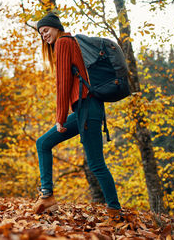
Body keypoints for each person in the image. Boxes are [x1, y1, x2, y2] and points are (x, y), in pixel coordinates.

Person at [33, 12, 122, 218]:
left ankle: (115, 213)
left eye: (46, 30)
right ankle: (46, 196)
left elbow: (63, 83)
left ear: (56, 27)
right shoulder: (69, 42)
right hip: (85, 108)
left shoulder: (64, 42)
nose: (44, 35)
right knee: (43, 143)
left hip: (88, 107)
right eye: (41, 33)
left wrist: (60, 118)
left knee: (97, 164)